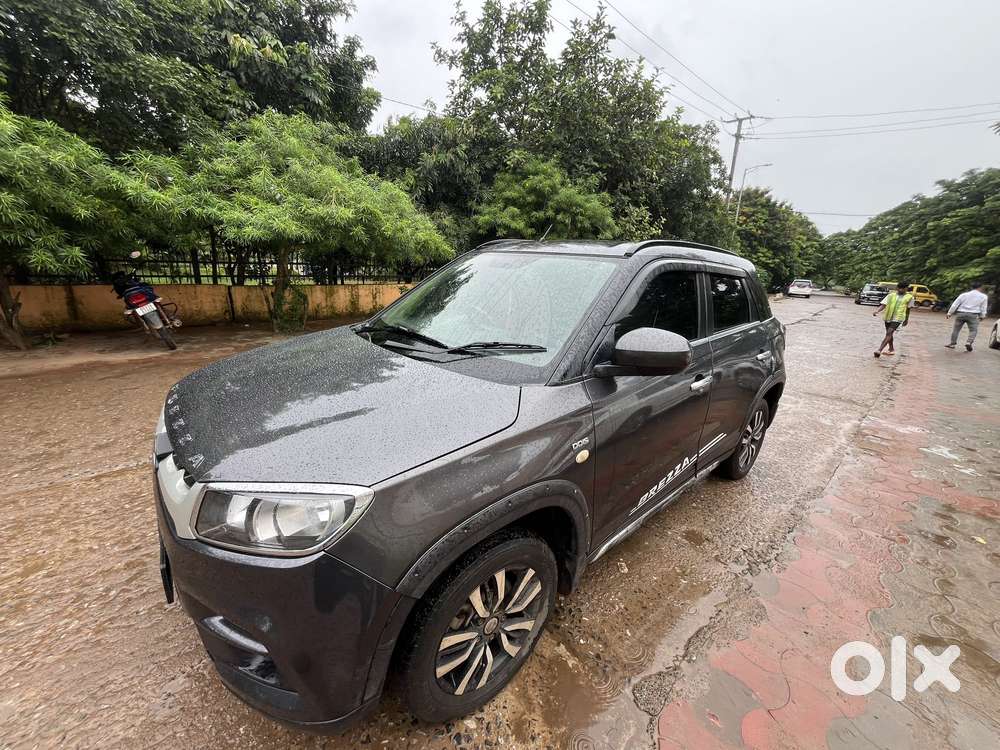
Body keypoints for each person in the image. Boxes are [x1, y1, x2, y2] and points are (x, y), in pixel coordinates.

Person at [872, 282, 914, 358]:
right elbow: (884, 304)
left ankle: (879, 350)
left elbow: (908, 309)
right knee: (889, 334)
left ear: (906, 289)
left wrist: (906, 319)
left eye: (903, 288)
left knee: (889, 332)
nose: (901, 290)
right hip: (888, 316)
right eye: (900, 288)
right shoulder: (891, 295)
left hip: (898, 317)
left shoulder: (910, 297)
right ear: (897, 288)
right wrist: (877, 311)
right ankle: (891, 349)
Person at [945, 281, 989, 351]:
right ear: (980, 287)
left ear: (972, 287)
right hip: (973, 315)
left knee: (956, 329)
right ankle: (969, 342)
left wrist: (949, 313)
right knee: (973, 330)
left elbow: (955, 304)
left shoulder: (964, 295)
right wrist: (982, 316)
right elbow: (983, 307)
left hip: (961, 314)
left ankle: (952, 344)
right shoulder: (983, 296)